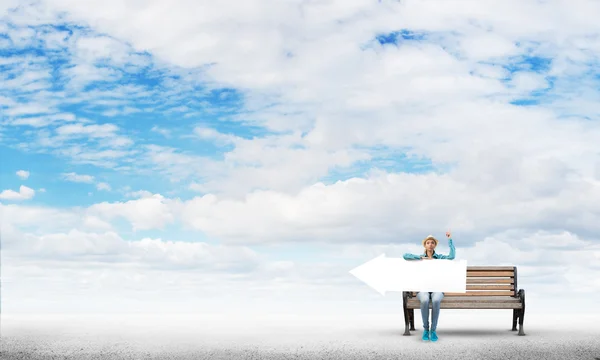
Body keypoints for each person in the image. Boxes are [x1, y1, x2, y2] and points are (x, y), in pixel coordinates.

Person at [403, 231, 455, 342]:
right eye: (428, 243)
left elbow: (452, 256)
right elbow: (405, 256)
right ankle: (426, 329)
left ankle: (433, 330)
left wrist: (450, 240)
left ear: (435, 245)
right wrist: (419, 258)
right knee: (425, 300)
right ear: (425, 245)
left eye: (432, 242)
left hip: (437, 288)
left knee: (436, 300)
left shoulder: (439, 258)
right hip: (423, 288)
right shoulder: (420, 257)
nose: (430, 244)